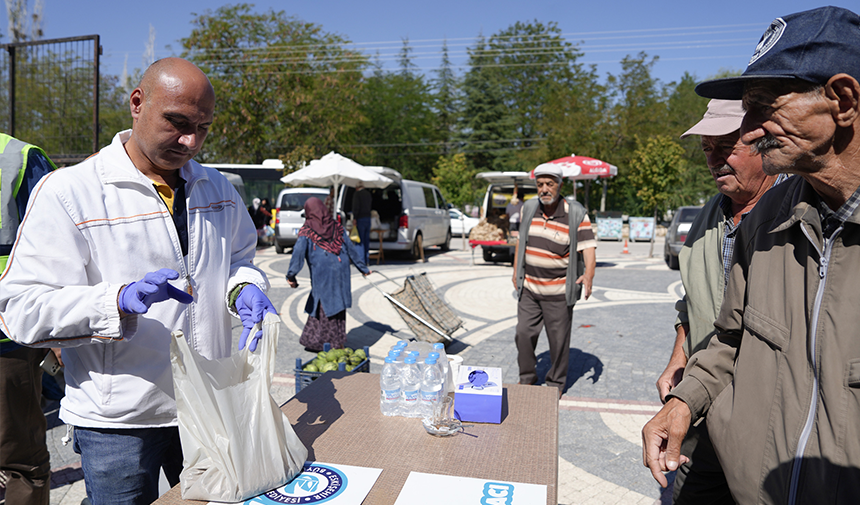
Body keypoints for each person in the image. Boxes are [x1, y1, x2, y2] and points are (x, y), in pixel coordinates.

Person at [0, 57, 277, 505]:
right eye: (177, 122)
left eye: (203, 127)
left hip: (208, 404)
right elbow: (21, 309)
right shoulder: (70, 192)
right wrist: (117, 302)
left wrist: (244, 287)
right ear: (136, 103)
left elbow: (239, 257)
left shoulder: (218, 189)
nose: (190, 141)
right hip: (120, 422)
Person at [643, 7, 860, 503]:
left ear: (843, 100)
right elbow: (729, 336)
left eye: (765, 106)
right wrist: (684, 402)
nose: (754, 127)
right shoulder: (766, 220)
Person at [655, 99, 787, 504]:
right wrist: (679, 356)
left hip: (770, 415)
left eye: (726, 146)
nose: (714, 161)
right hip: (704, 398)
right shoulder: (711, 211)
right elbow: (690, 299)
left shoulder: (797, 212)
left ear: (761, 141)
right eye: (706, 149)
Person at [0, 134, 57, 505]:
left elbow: (61, 243)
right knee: (20, 458)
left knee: (19, 457)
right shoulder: (16, 158)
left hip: (7, 336)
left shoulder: (17, 159)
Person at [511, 164, 596, 399]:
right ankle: (527, 378)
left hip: (559, 291)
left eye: (550, 184)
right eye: (540, 185)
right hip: (530, 288)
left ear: (560, 185)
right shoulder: (529, 208)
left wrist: (589, 274)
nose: (544, 189)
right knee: (523, 334)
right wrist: (515, 269)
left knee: (558, 341)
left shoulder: (575, 213)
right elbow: (521, 241)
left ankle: (556, 383)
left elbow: (588, 247)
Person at [286, 197, 371, 351]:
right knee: (335, 303)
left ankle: (325, 343)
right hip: (341, 268)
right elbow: (351, 248)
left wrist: (291, 275)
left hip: (322, 272)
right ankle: (337, 341)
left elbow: (297, 254)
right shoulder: (337, 226)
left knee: (324, 304)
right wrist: (363, 268)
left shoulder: (307, 230)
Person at [351, 181, 372, 264]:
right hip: (368, 218)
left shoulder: (357, 194)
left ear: (357, 187)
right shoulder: (368, 194)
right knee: (366, 240)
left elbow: (356, 207)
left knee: (359, 240)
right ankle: (367, 259)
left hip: (360, 218)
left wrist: (355, 218)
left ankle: (360, 260)